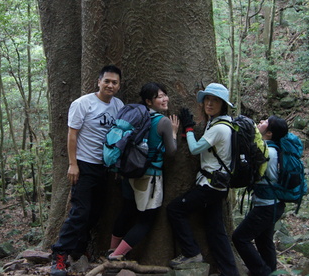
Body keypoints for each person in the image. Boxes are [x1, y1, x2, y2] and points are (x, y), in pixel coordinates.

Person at [50, 65, 124, 276]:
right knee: (79, 212)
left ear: (119, 86)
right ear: (98, 82)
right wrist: (73, 164)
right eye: (107, 81)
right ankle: (59, 256)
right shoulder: (83, 104)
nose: (110, 85)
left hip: (105, 167)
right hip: (84, 165)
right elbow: (72, 134)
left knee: (95, 212)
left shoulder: (118, 105)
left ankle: (78, 249)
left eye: (114, 82)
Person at [166, 82, 239, 276]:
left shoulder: (219, 128)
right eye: (207, 99)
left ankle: (191, 253)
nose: (210, 103)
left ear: (223, 104)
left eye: (215, 100)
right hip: (217, 185)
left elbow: (195, 149)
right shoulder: (218, 123)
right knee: (216, 231)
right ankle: (230, 271)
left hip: (210, 187)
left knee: (175, 209)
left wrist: (188, 128)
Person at [107, 82, 180, 261]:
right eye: (159, 97)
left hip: (128, 173)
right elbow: (172, 152)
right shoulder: (162, 121)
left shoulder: (136, 117)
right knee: (147, 219)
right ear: (149, 101)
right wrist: (175, 133)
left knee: (127, 210)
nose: (164, 99)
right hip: (149, 177)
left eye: (165, 95)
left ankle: (111, 248)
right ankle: (116, 256)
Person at [232, 116, 288, 276]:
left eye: (265, 123)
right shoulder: (275, 149)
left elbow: (252, 174)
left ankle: (262, 272)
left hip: (267, 206)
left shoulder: (267, 152)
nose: (261, 122)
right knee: (264, 241)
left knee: (239, 238)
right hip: (274, 204)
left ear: (269, 133)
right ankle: (271, 272)